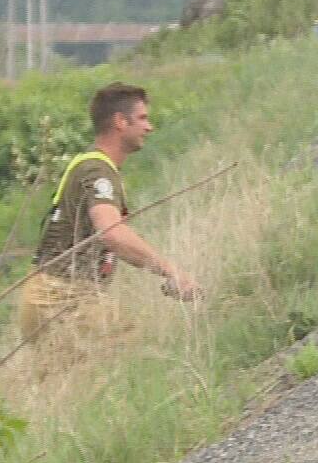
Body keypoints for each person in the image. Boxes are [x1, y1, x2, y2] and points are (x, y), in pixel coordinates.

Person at [19, 83, 199, 369]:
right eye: (142, 118)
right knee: (135, 351)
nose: (149, 127)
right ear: (119, 122)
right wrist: (170, 271)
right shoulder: (97, 170)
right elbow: (112, 233)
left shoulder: (95, 167)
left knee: (71, 382)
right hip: (61, 295)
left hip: (52, 295)